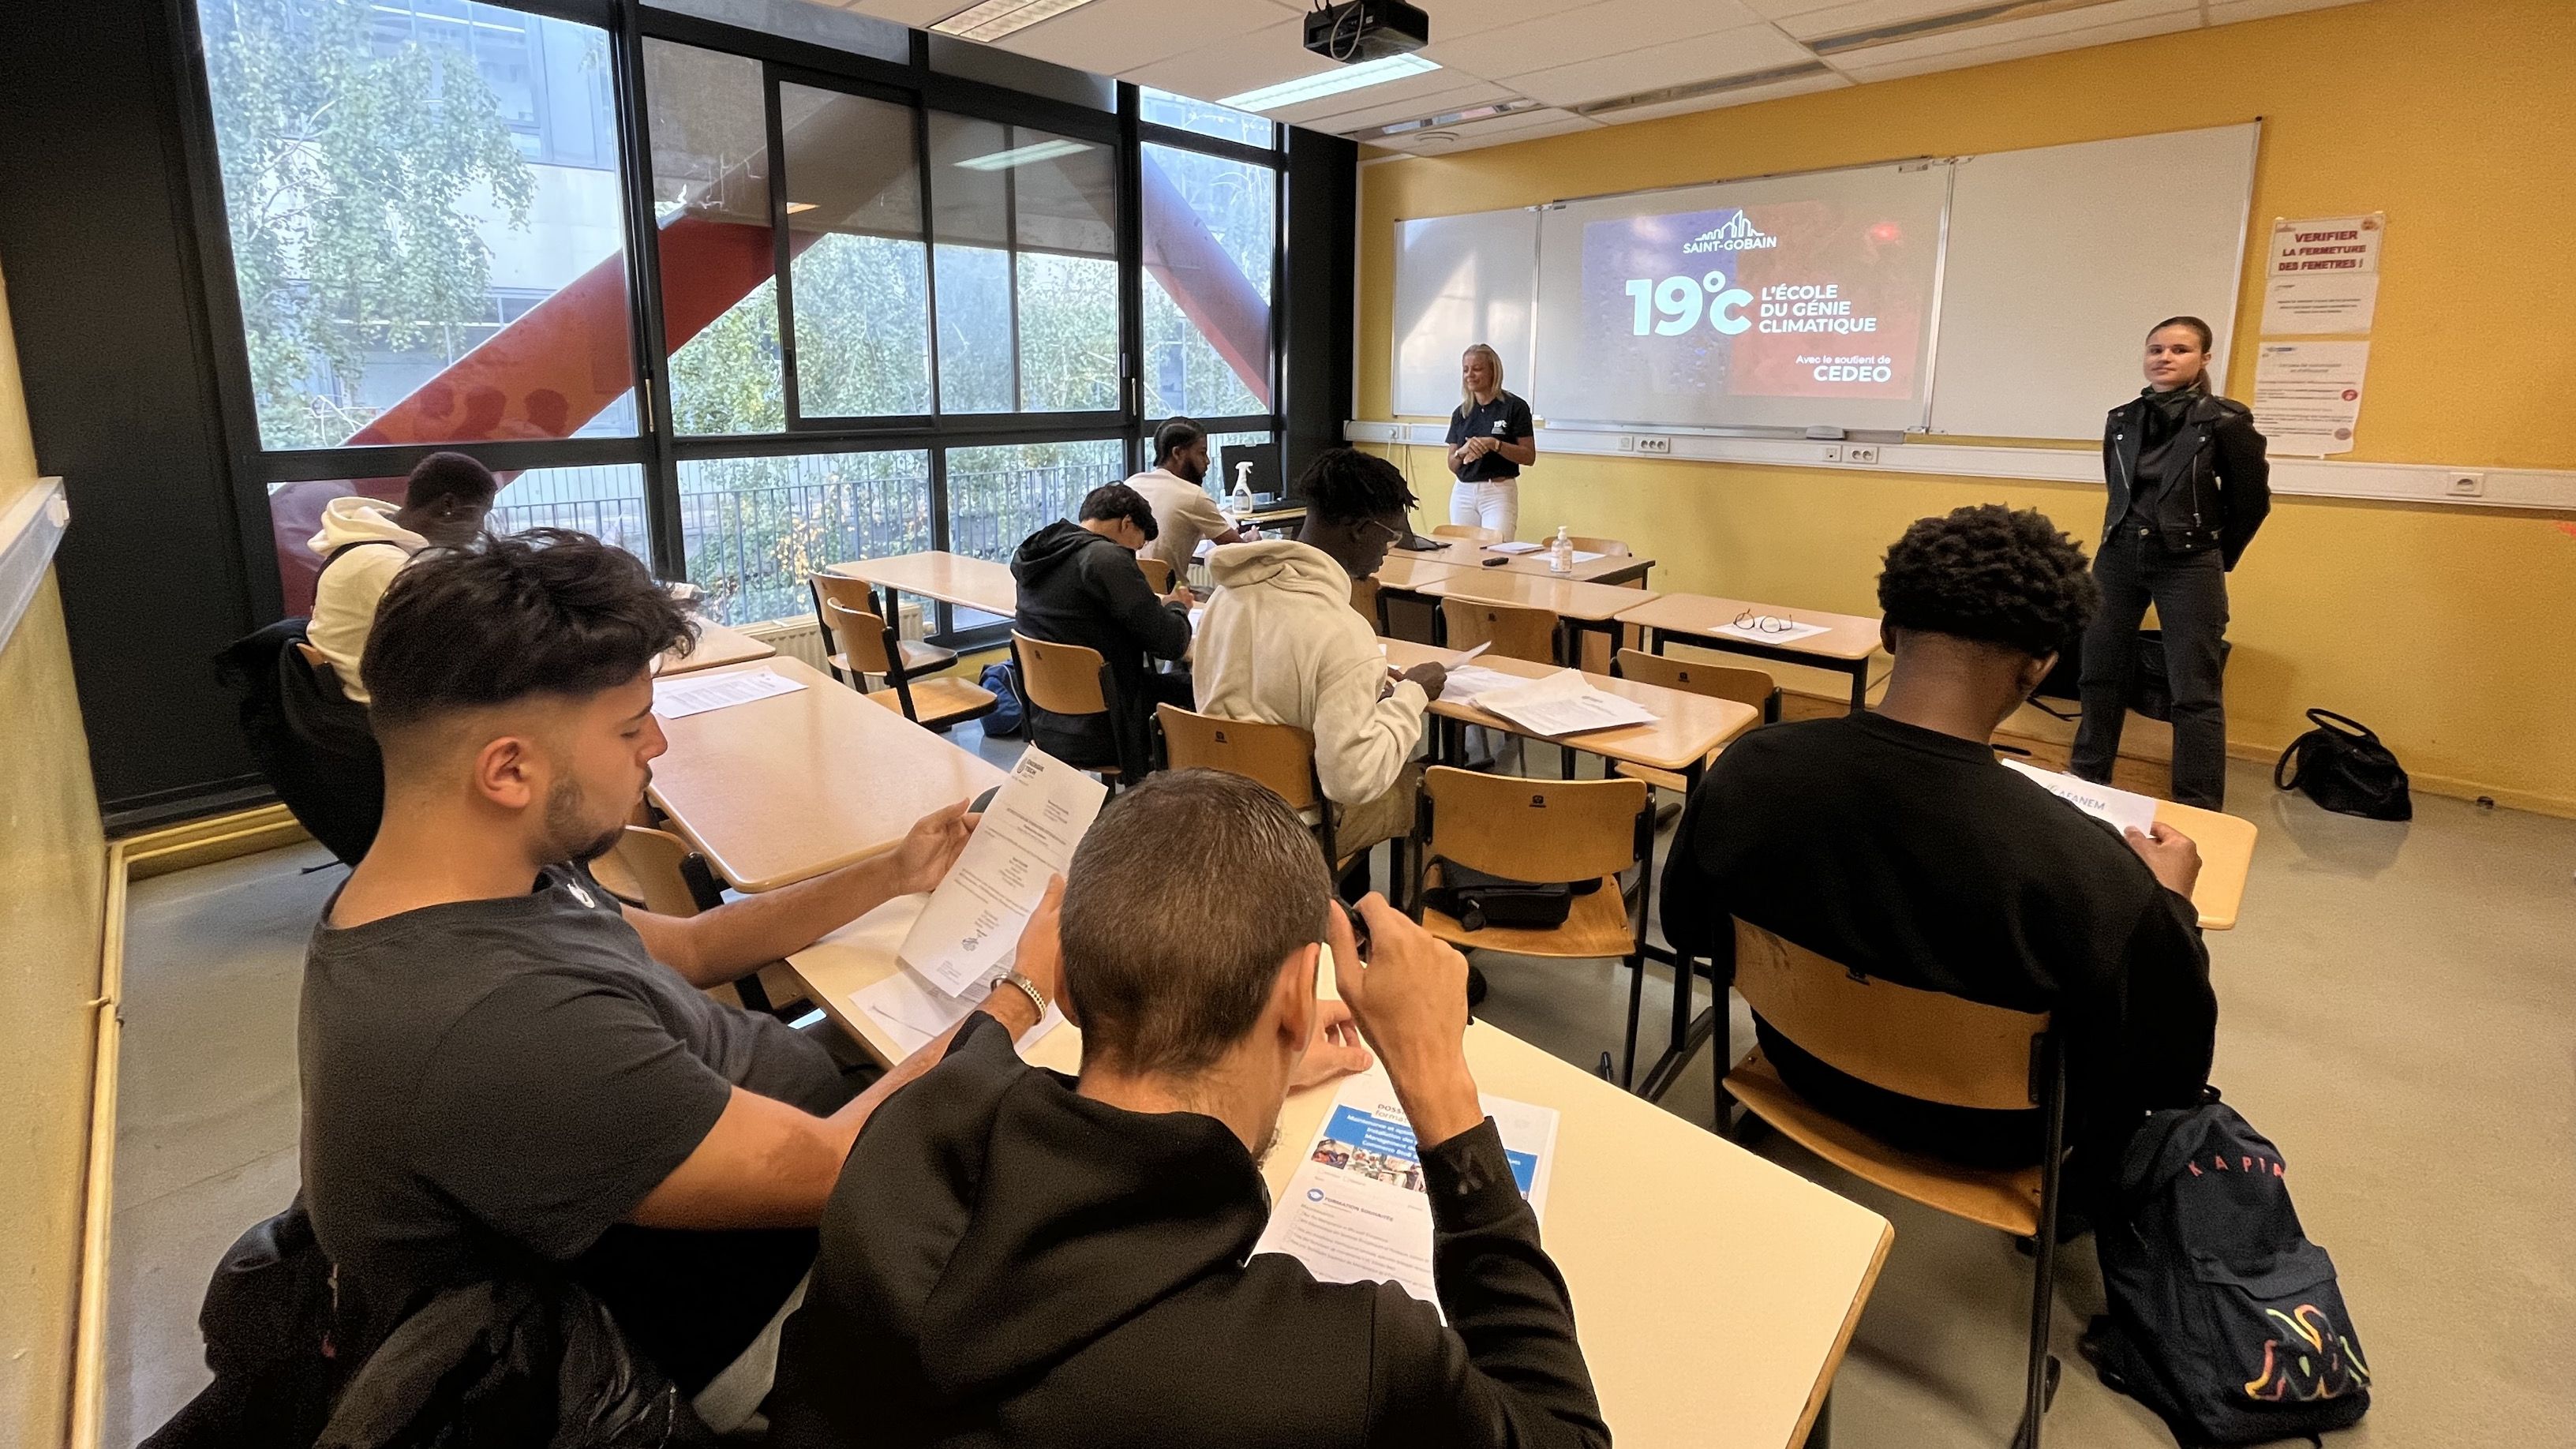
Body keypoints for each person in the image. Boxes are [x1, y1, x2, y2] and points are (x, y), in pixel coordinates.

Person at [299, 529, 1049, 1434]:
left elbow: (692, 949)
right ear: (508, 768)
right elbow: (838, 1166)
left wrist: (892, 871)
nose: (656, 742)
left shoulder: (485, 872)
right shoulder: (493, 1022)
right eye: (627, 728)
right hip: (768, 1320)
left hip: (776, 1148)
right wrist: (1024, 993)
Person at [767, 769, 1608, 1449]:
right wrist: (1440, 1092)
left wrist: (1250, 1063)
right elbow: (1561, 1433)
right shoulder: (1352, 1362)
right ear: (1295, 996)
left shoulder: (904, 1136)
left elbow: (973, 1062)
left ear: (1063, 983)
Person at [1662, 504, 2216, 1188]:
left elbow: (1688, 930)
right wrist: (2171, 906)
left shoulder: (1750, 766)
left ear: (1889, 632)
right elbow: (2170, 1071)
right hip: (1994, 1138)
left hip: (1798, 1067)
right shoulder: (2094, 870)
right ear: (2040, 666)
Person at [1195, 448, 1445, 859]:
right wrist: (1411, 696)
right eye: (1391, 535)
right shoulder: (1343, 633)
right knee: (1424, 787)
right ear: (1360, 530)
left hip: (1213, 806)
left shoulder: (1225, 598)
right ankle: (1390, 921)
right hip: (1289, 834)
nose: (1390, 549)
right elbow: (1352, 781)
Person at [2070, 316, 2271, 808]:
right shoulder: (2122, 418)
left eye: (2180, 350)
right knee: (2098, 672)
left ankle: (2198, 805)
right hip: (2119, 555)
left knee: (2193, 689)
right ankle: (2086, 784)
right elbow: (2119, 491)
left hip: (2188, 560)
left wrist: (2216, 556)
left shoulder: (2225, 421)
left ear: (2204, 360)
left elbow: (2251, 502)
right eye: (2156, 348)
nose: (2164, 357)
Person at [1009, 482, 1196, 779]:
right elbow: (1170, 643)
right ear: (1126, 523)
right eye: (1137, 546)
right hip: (1109, 728)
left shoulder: (1038, 556)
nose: (1134, 555)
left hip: (1046, 723)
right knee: (1197, 688)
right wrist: (1177, 608)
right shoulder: (1106, 559)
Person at [305, 451, 500, 705]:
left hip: (373, 696)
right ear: (448, 506)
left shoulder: (376, 540)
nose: (480, 529)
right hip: (379, 714)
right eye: (481, 514)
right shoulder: (382, 563)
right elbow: (454, 643)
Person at [1126, 416, 1256, 584]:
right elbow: (1238, 552)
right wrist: (1251, 542)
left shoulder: (1131, 484)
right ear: (1177, 453)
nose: (1207, 461)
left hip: (1128, 593)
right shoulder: (1193, 496)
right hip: (1172, 598)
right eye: (1202, 453)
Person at [1443, 343, 1535, 540]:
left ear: (1493, 371)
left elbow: (1529, 456)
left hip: (1498, 492)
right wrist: (1463, 451)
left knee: (1496, 551)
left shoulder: (1514, 407)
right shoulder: (1461, 413)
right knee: (1462, 555)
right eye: (1466, 370)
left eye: (1477, 369)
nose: (1470, 375)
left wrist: (1495, 445)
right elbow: (1452, 464)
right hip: (1464, 493)